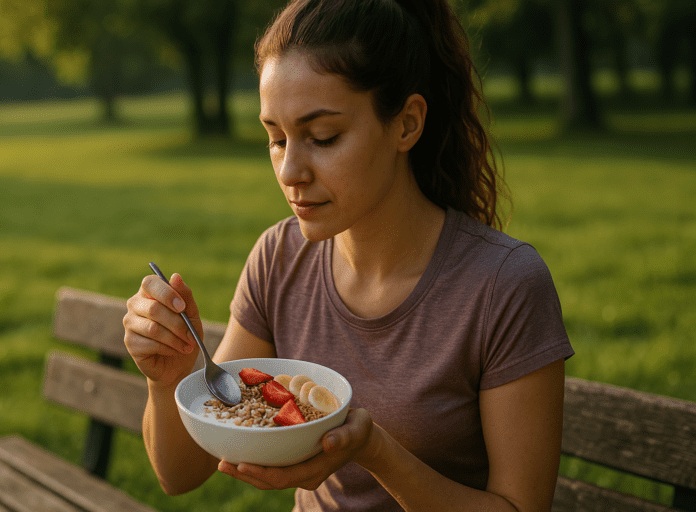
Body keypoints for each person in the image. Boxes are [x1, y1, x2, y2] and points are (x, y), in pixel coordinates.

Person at [123, 0, 575, 510]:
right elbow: (180, 473)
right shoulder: (279, 258)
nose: (290, 170)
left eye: (323, 137)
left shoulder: (503, 285)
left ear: (406, 125)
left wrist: (375, 452)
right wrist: (168, 378)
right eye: (275, 138)